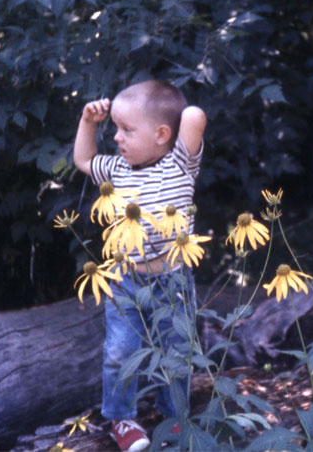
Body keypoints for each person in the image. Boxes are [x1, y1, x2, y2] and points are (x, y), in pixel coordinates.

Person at [73, 80, 206, 452]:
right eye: (115, 128)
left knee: (178, 350)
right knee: (119, 351)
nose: (117, 137)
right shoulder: (118, 170)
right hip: (125, 277)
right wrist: (89, 122)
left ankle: (174, 415)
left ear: (163, 134)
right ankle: (121, 418)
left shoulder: (181, 164)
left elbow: (193, 115)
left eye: (127, 130)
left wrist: (171, 115)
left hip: (173, 278)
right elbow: (83, 160)